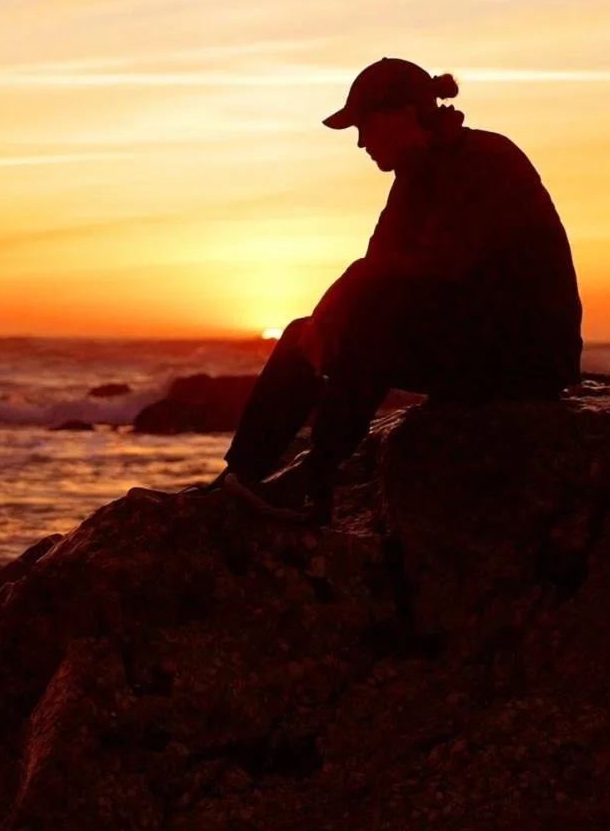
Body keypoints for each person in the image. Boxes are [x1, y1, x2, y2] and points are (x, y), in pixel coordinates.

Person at [210, 56, 582, 525]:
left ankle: (315, 483)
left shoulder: (488, 159)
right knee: (302, 334)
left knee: (373, 318)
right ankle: (236, 479)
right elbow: (380, 266)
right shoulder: (413, 177)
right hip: (468, 342)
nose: (361, 142)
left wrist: (350, 289)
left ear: (402, 114)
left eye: (364, 126)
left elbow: (448, 266)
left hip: (527, 356)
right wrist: (332, 312)